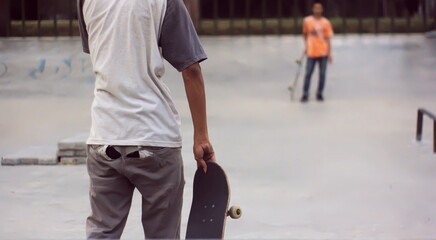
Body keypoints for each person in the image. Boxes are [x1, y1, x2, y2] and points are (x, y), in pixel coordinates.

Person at [77, 0, 216, 238]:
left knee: (101, 232)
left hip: (104, 136)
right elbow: (191, 70)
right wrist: (201, 136)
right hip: (155, 138)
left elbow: (107, 48)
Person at [301, 1, 334, 103]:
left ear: (322, 9)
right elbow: (305, 34)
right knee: (308, 73)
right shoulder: (307, 21)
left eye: (319, 8)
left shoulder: (326, 22)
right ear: (313, 9)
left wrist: (329, 53)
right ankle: (305, 94)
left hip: (323, 52)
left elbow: (328, 38)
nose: (317, 10)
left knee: (322, 74)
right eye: (316, 8)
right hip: (311, 52)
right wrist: (306, 46)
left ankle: (319, 93)